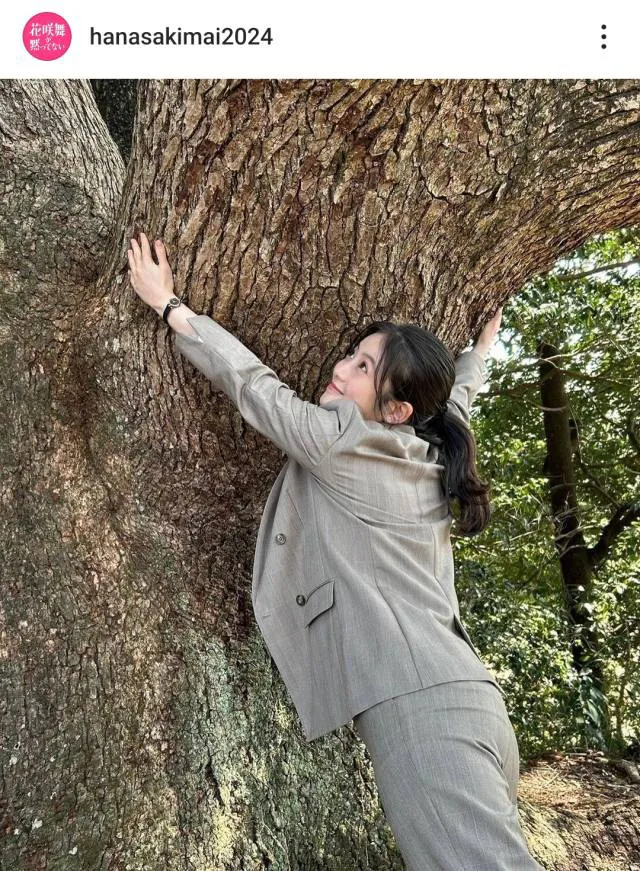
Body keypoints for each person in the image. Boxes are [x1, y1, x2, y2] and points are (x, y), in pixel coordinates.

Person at [127, 232, 543, 870]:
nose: (342, 369)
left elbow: (254, 387)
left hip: (423, 714)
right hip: (470, 703)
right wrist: (477, 354)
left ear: (397, 408)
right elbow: (456, 403)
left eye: (363, 368)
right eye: (353, 355)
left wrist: (169, 305)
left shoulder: (343, 444)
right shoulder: (430, 453)